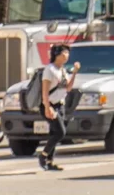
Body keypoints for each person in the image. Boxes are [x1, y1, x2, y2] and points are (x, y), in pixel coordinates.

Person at [38, 43, 79, 171]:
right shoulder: (49, 70)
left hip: (60, 105)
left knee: (54, 133)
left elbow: (68, 88)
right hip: (50, 105)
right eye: (64, 53)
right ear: (56, 54)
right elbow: (44, 91)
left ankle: (49, 162)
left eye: (68, 53)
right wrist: (47, 107)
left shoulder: (62, 70)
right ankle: (43, 155)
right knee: (61, 132)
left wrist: (74, 73)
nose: (67, 55)